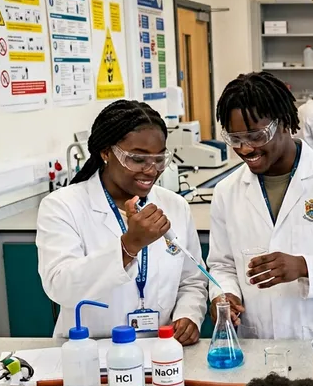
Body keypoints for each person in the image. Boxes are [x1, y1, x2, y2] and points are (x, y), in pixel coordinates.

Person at [207, 72, 313, 339]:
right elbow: (222, 265)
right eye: (235, 139)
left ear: (285, 123)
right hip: (257, 340)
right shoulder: (226, 191)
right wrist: (225, 294)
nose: (245, 149)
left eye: (256, 136)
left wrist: (303, 266)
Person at [36, 100, 207, 344]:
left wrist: (188, 316)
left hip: (161, 350)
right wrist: (128, 246)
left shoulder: (175, 206)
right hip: (89, 351)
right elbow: (60, 287)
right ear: (106, 152)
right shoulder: (62, 206)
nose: (151, 170)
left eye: (159, 159)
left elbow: (192, 281)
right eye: (137, 159)